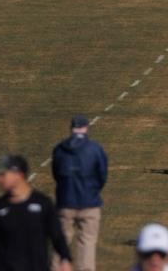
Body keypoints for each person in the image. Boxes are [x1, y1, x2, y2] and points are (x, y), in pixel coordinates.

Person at [0, 154, 72, 271]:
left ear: (18, 175)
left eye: (3, 174)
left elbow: (57, 235)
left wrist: (65, 258)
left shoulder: (43, 203)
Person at [51, 114, 108, 271]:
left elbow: (55, 173)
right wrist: (93, 190)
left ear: (71, 128)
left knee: (60, 242)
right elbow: (102, 174)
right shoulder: (95, 149)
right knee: (87, 243)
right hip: (89, 202)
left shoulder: (60, 149)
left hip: (65, 201)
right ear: (86, 128)